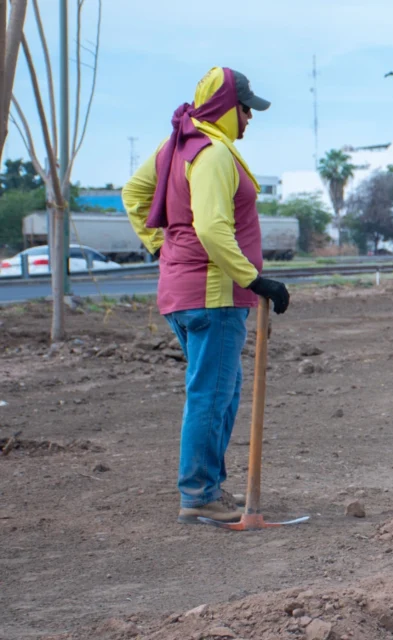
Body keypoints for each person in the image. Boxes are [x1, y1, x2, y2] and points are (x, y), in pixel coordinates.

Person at [122, 67, 291, 524]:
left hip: (183, 291)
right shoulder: (213, 154)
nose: (250, 118)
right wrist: (254, 279)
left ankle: (208, 488)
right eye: (245, 109)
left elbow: (133, 194)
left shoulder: (175, 145)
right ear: (225, 108)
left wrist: (163, 247)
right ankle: (198, 495)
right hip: (214, 295)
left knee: (221, 390)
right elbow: (213, 227)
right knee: (211, 395)